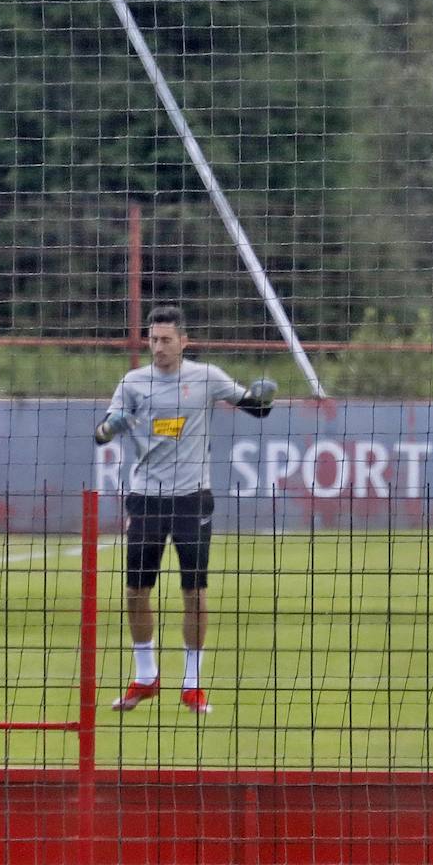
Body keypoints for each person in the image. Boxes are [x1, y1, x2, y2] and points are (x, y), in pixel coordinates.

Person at [94, 305, 277, 714]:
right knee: (136, 591)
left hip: (193, 499)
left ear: (183, 342)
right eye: (152, 340)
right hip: (145, 499)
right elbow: (100, 434)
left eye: (165, 340)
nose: (157, 348)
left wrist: (265, 397)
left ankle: (192, 685)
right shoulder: (133, 382)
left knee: (194, 592)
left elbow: (256, 409)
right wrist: (114, 426)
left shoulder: (206, 377)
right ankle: (145, 677)